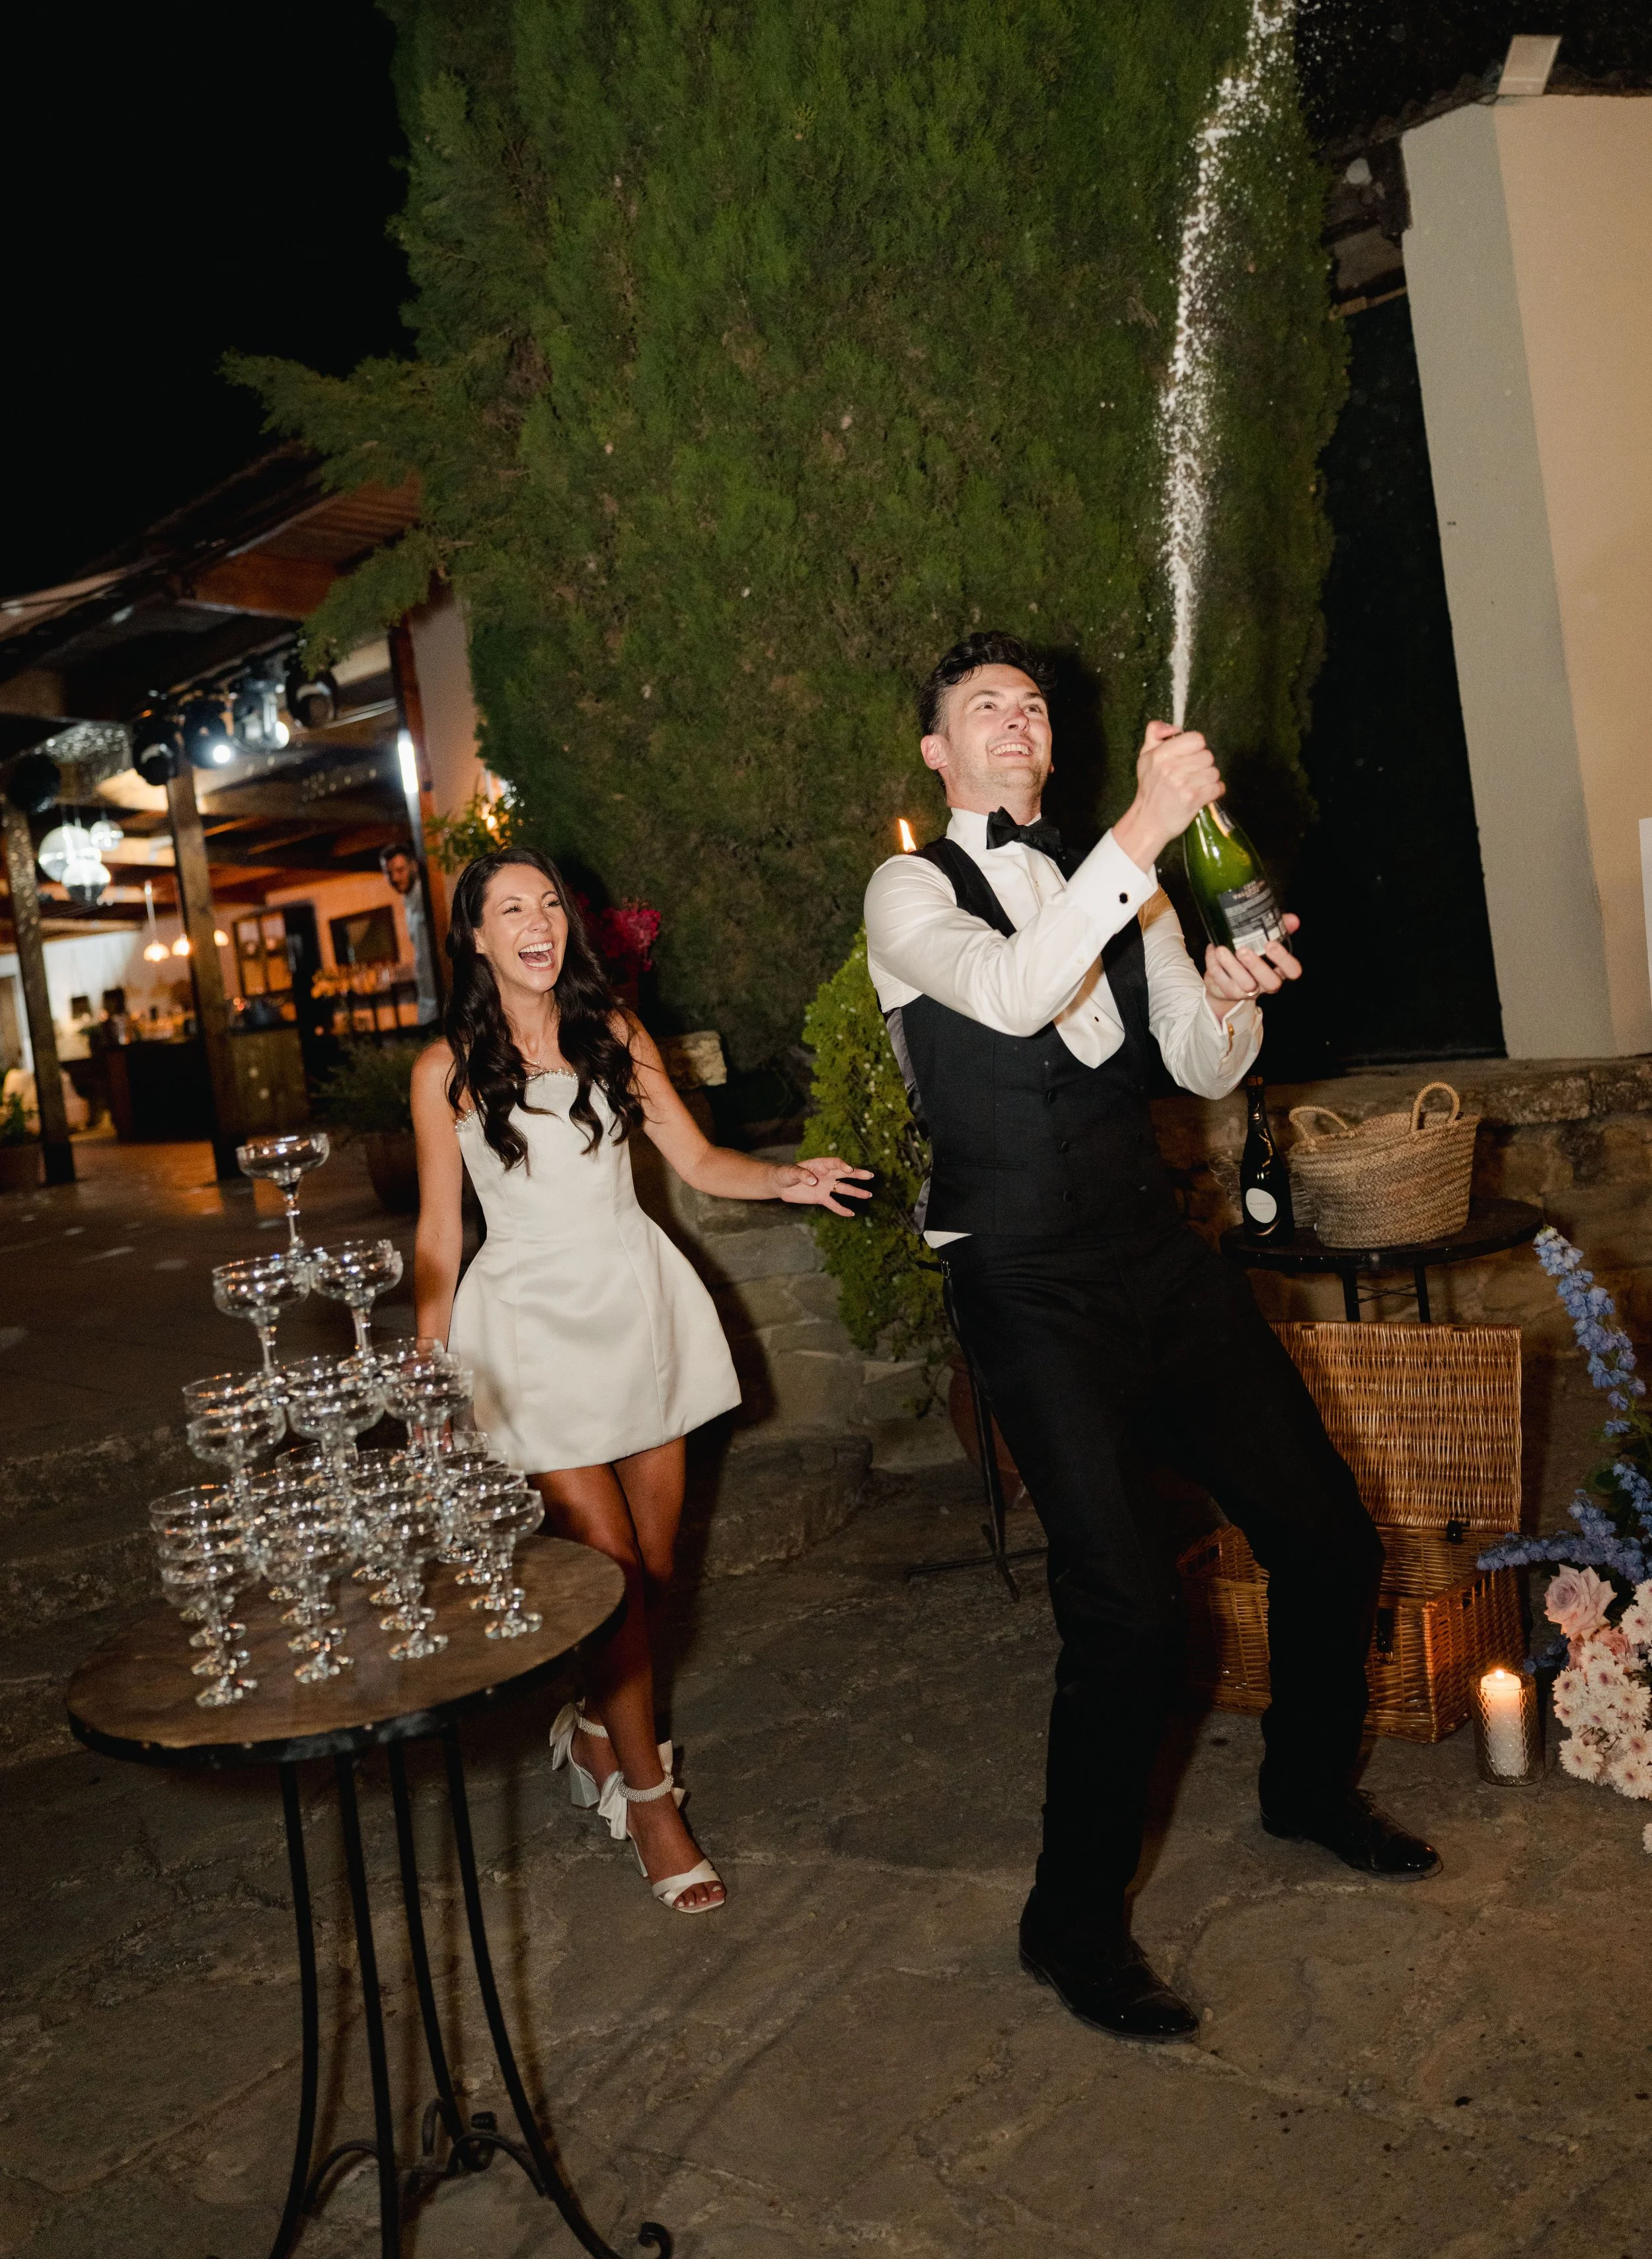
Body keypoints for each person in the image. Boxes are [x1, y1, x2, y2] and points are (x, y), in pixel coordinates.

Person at [864, 632, 1436, 2042]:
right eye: (982, 708)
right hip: (1023, 1283)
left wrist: (1231, 1004)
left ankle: (1305, 1791)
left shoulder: (1118, 891)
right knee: (1125, 1606)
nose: (1014, 720)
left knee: (1326, 1536)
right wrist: (1140, 831)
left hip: (1151, 1259)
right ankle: (1068, 1926)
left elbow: (1192, 1058)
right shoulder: (904, 892)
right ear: (937, 751)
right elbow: (1006, 995)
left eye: (1032, 707)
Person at [411, 846, 868, 1915]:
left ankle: (586, 1727)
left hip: (635, 1307)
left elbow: (704, 1164)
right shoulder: (444, 1068)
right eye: (509, 908)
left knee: (654, 1573)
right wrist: (433, 1380)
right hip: (526, 1326)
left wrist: (791, 1179)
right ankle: (650, 1791)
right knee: (610, 1567)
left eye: (549, 905)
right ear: (475, 936)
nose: (537, 921)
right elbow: (438, 1234)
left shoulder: (614, 1032)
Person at [382, 837, 441, 1026]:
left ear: (413, 867)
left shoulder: (427, 897)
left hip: (441, 1001)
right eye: (390, 873)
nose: (395, 878)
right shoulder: (409, 902)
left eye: (400, 870)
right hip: (430, 1002)